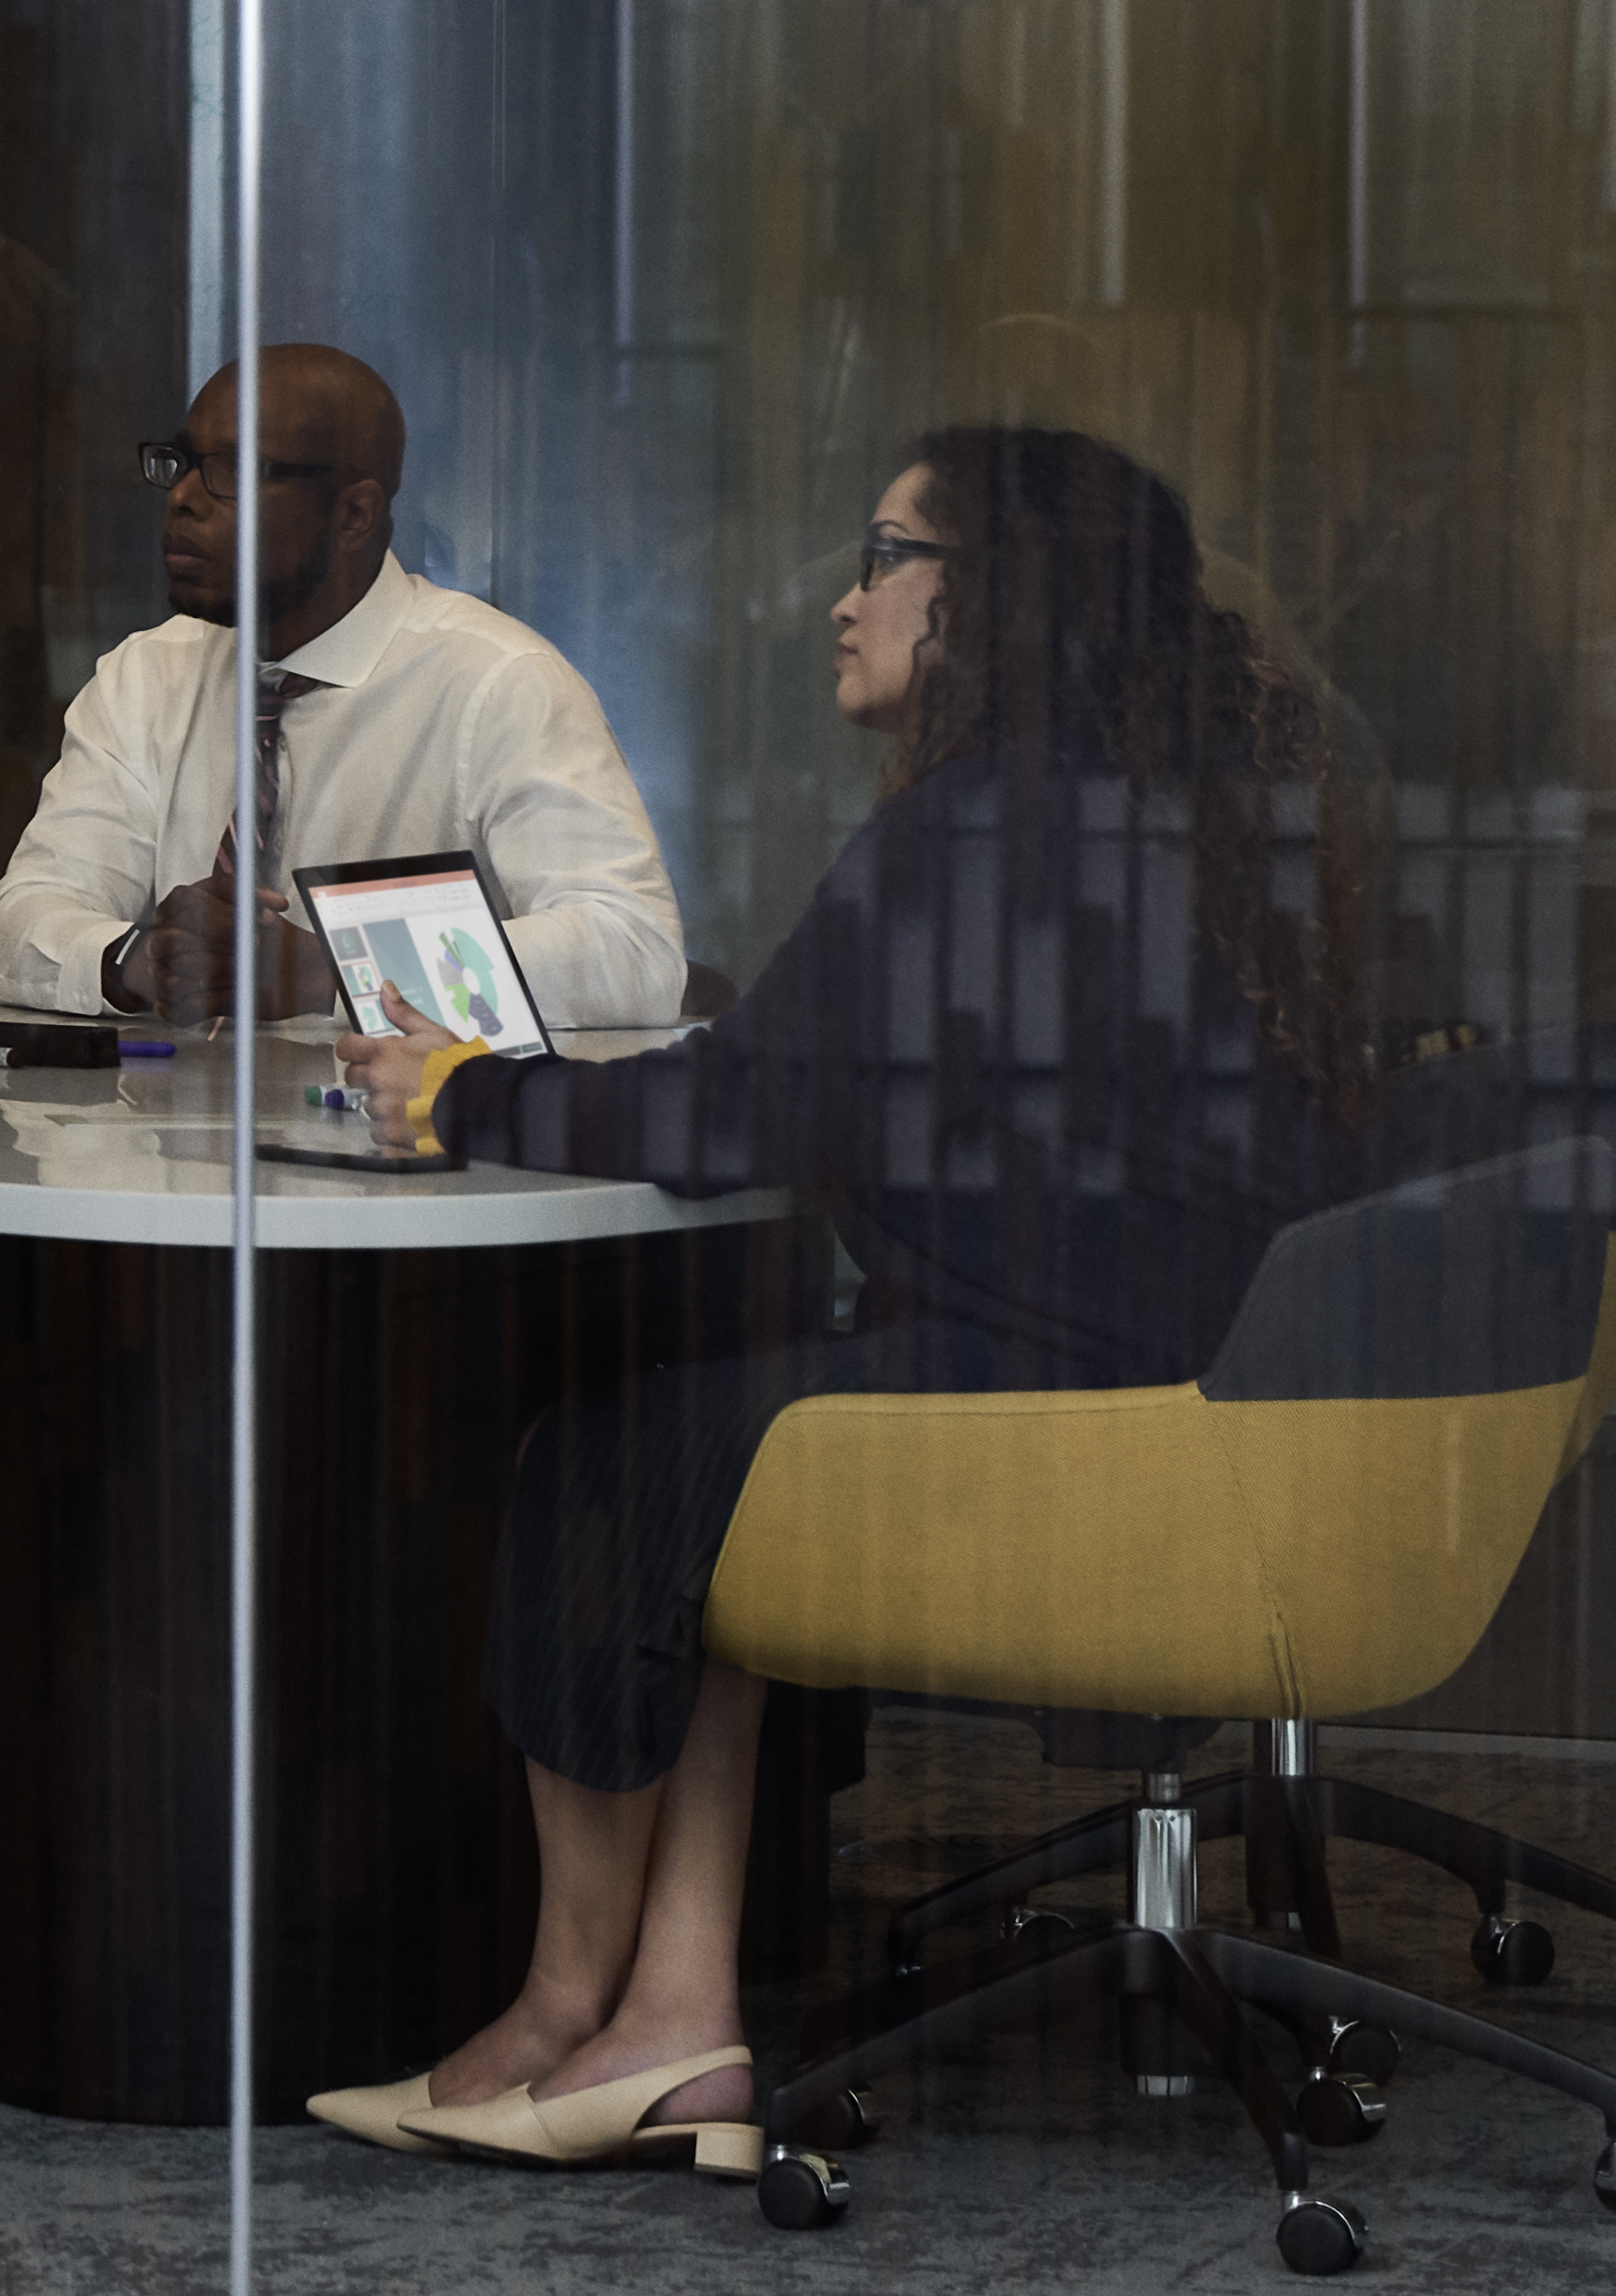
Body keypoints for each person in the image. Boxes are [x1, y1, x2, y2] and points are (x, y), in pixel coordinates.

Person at [308, 426, 1371, 2172]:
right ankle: (669, 2022)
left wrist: (462, 1089)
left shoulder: (984, 818)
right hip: (1196, 1390)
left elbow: (747, 1114)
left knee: (608, 1449)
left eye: (885, 550)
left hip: (1087, 1421)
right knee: (726, 1432)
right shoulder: (1150, 801)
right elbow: (841, 1083)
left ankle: (555, 2007)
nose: (842, 592)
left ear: (990, 594)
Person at [0, 344, 684, 1029]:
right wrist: (142, 963)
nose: (185, 499)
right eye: (184, 464)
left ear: (354, 515)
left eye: (233, 471)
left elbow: (633, 953)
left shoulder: (498, 683)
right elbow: (24, 919)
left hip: (393, 1135)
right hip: (167, 1127)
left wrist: (330, 972)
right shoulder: (145, 676)